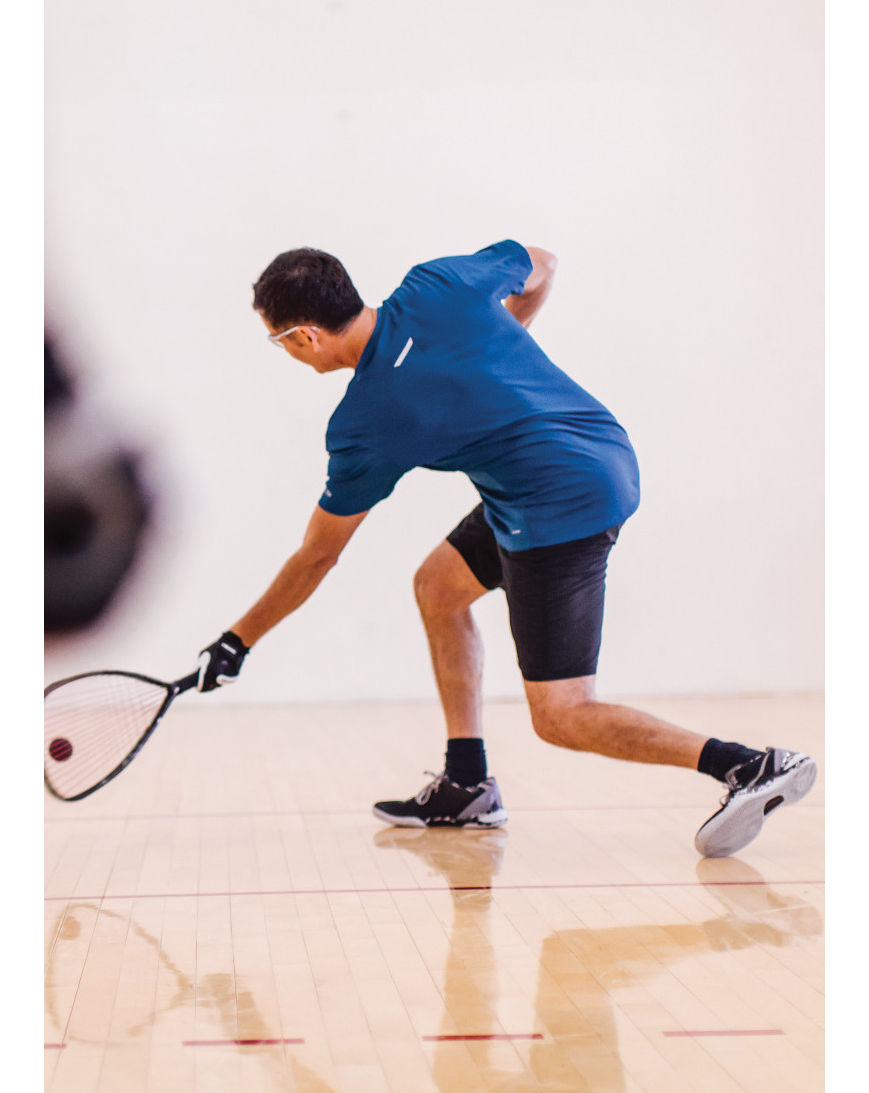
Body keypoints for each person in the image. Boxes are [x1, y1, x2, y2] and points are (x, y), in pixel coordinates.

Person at [196, 241, 816, 858]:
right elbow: (542, 261)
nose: (288, 355)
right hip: (596, 452)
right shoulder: (435, 285)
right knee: (438, 586)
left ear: (305, 336)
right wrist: (501, 343)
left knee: (562, 714)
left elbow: (317, 556)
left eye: (278, 342)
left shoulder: (367, 423)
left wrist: (238, 640)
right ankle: (467, 784)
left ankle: (749, 766)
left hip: (560, 504)